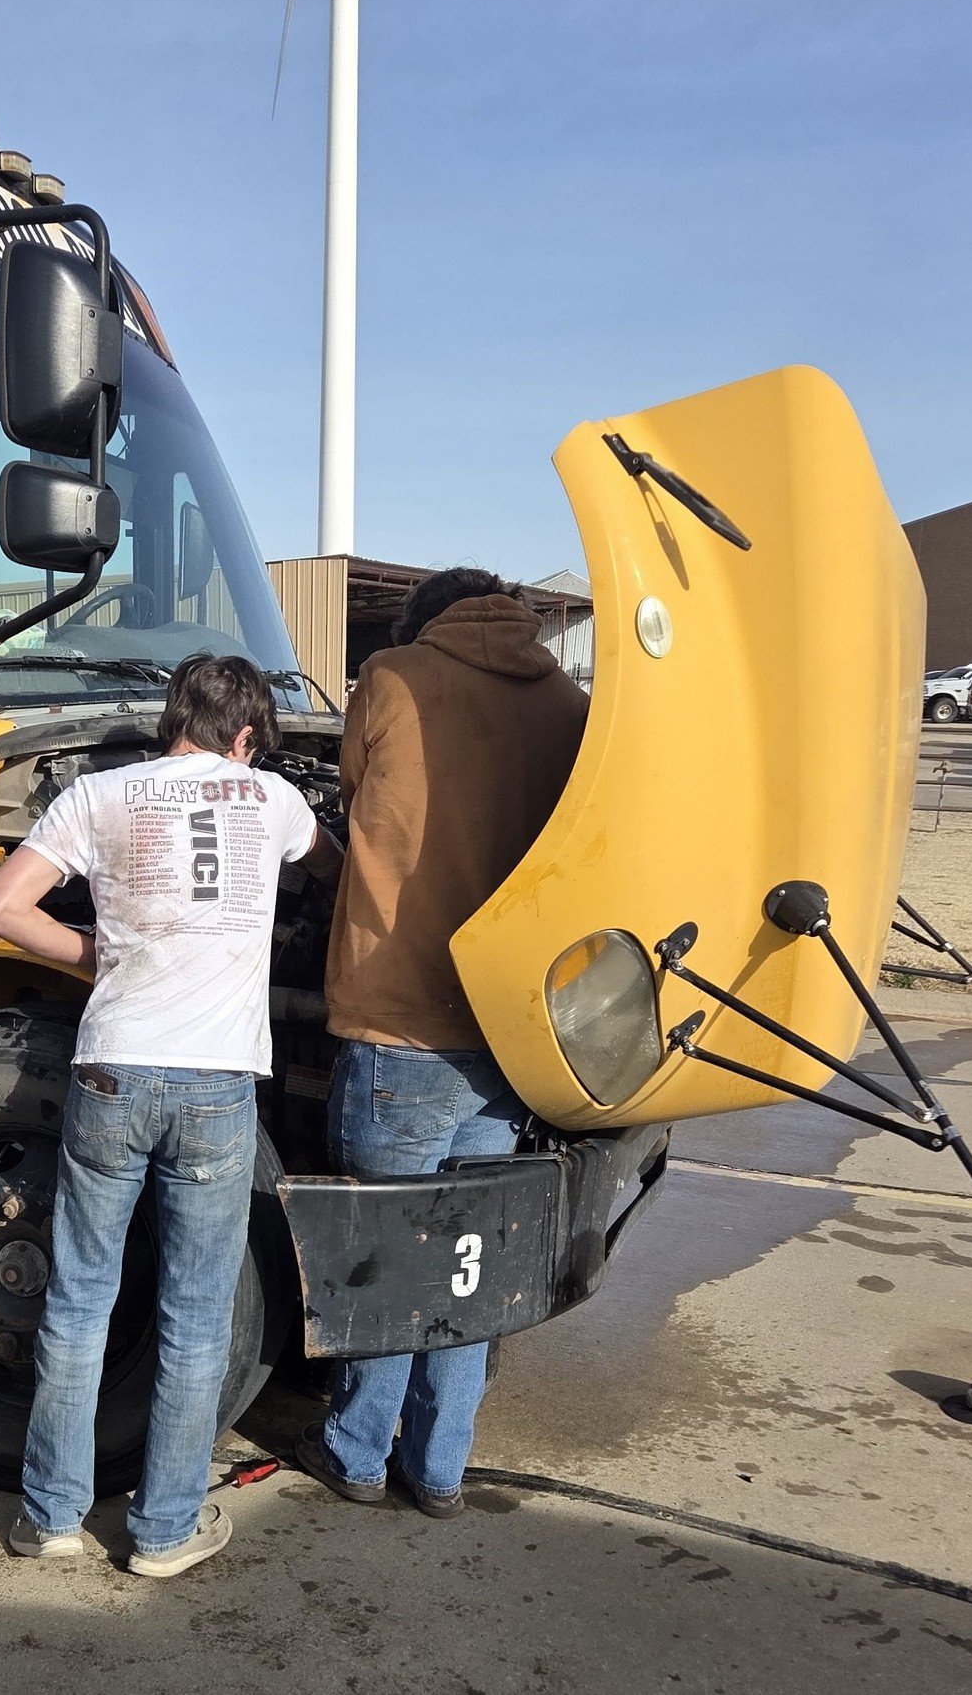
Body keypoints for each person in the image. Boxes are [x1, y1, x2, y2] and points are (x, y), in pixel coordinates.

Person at [0, 654, 342, 1576]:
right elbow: (339, 873)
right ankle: (164, 1532)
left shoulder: (101, 795)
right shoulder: (274, 802)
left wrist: (97, 954)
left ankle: (51, 1516)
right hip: (215, 1086)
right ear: (247, 736)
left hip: (110, 1073)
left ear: (173, 720)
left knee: (79, 1299)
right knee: (194, 1315)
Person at [296, 568, 587, 1516]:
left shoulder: (388, 678)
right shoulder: (568, 707)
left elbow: (346, 802)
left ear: (425, 622)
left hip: (399, 1017)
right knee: (471, 1260)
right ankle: (439, 1470)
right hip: (514, 1028)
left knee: (387, 1253)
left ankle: (357, 1456)